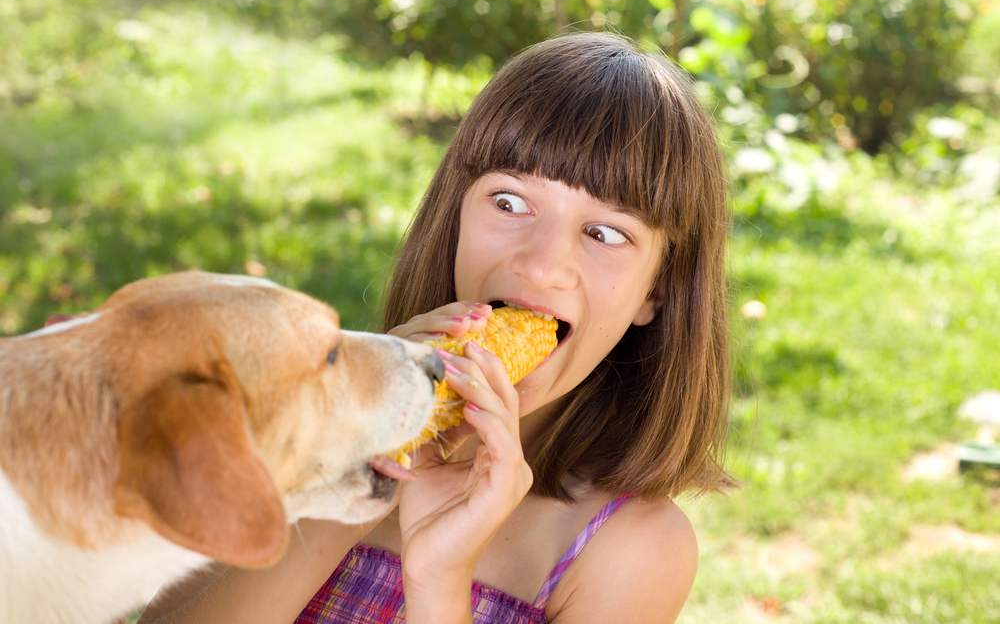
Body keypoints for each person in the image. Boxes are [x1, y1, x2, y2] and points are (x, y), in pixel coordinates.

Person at [138, 31, 734, 624]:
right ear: (457, 217)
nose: (540, 264)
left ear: (655, 291)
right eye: (509, 201)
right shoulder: (299, 426)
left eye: (605, 233)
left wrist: (441, 579)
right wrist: (349, 472)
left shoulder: (628, 551)